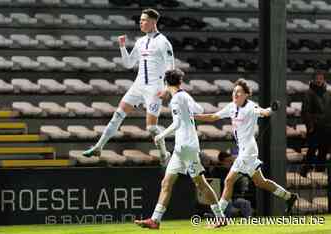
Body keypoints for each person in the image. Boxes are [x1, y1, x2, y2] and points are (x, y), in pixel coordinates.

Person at [134, 69, 226, 229]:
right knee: (166, 182)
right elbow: (200, 110)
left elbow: (176, 124)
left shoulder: (176, 99)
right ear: (180, 82)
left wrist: (160, 135)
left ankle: (220, 217)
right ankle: (155, 220)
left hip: (186, 147)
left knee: (201, 184)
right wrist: (187, 115)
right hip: (181, 147)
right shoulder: (185, 96)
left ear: (166, 83)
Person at [195, 78, 298, 219]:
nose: (235, 94)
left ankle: (218, 214)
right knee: (260, 182)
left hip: (248, 151)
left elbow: (264, 112)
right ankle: (289, 197)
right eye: (234, 91)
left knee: (228, 180)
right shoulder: (231, 107)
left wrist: (271, 109)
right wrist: (194, 116)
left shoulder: (250, 107)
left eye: (238, 92)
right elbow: (213, 116)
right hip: (244, 150)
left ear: (246, 94)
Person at [82, 8, 174, 162]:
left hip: (154, 88)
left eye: (144, 20)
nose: (141, 23)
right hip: (138, 85)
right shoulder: (140, 41)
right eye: (140, 21)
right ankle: (98, 147)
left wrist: (167, 88)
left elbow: (170, 67)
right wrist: (122, 47)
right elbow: (128, 64)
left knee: (151, 128)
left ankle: (164, 154)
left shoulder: (163, 42)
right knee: (117, 115)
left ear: (153, 22)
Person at [300, 72, 331, 177]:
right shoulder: (309, 93)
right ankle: (305, 172)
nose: (319, 80)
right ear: (313, 80)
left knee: (324, 149)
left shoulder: (327, 94)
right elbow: (305, 112)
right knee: (312, 149)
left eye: (321, 78)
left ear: (323, 80)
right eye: (317, 78)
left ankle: (320, 173)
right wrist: (310, 126)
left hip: (327, 127)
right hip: (315, 127)